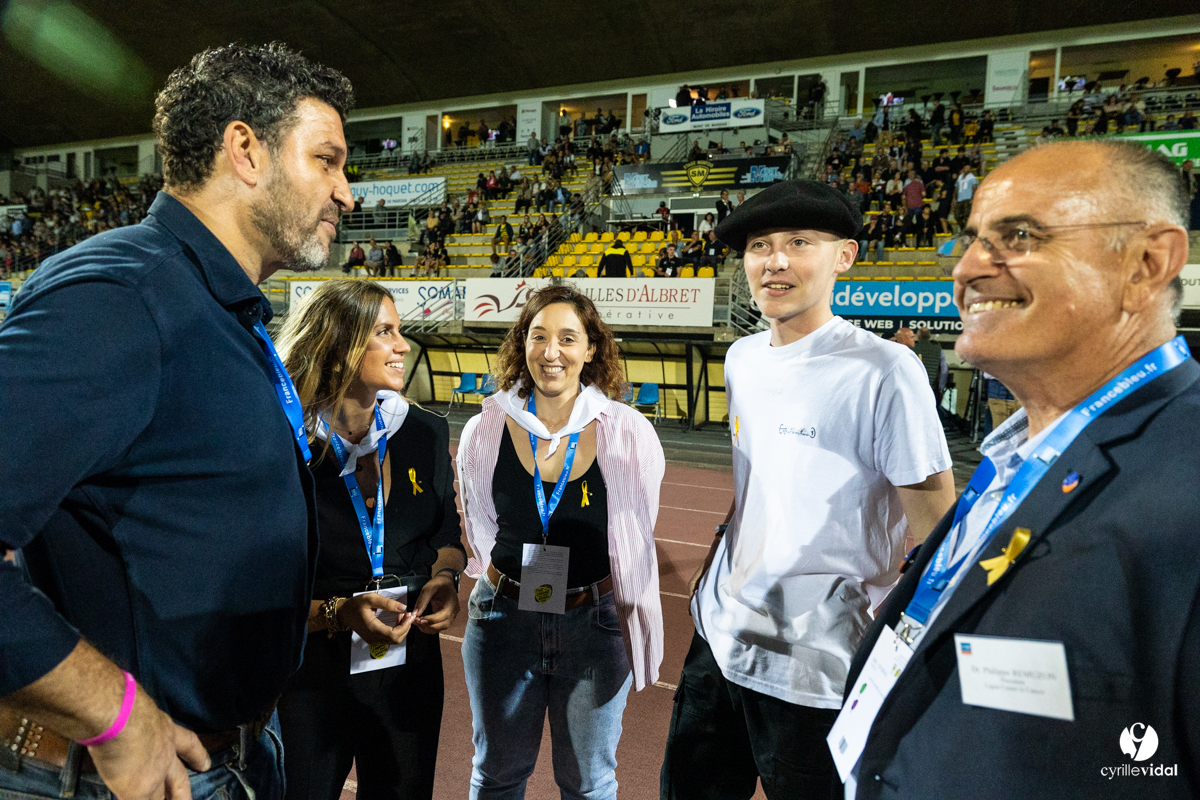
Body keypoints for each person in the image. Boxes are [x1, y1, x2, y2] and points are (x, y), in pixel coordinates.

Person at [0, 43, 353, 799]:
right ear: (245, 151)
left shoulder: (220, 307)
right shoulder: (122, 297)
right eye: (326, 160)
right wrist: (116, 715)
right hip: (125, 775)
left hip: (233, 755)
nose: (345, 192)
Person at [834, 139, 1199, 798]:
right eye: (972, 240)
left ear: (1149, 263)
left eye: (1019, 236)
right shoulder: (1014, 456)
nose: (969, 267)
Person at [663, 180, 954, 800]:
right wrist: (723, 555)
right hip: (718, 641)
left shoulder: (884, 370)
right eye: (759, 246)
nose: (775, 261)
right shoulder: (741, 357)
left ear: (844, 256)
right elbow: (761, 478)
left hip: (818, 666)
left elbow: (936, 532)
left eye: (799, 242)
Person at [457, 285, 665, 799]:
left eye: (568, 338)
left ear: (591, 349)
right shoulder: (485, 428)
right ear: (521, 344)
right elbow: (480, 522)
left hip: (593, 623)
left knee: (589, 784)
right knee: (497, 775)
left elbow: (638, 528)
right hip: (502, 622)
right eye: (539, 336)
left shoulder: (628, 431)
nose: (552, 352)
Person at [274, 280, 465, 800]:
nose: (404, 345)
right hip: (311, 666)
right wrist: (336, 613)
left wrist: (445, 578)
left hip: (407, 658)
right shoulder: (280, 440)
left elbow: (446, 529)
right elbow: (258, 578)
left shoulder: (422, 431)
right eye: (385, 332)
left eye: (399, 331)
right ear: (338, 346)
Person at [953, 164, 979, 233]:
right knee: (957, 215)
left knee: (966, 215)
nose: (967, 169)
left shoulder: (972, 177)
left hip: (967, 198)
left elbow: (975, 188)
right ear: (963, 168)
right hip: (960, 199)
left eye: (968, 168)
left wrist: (973, 198)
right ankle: (963, 229)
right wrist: (954, 198)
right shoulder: (960, 177)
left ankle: (965, 231)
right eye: (966, 168)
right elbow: (956, 187)